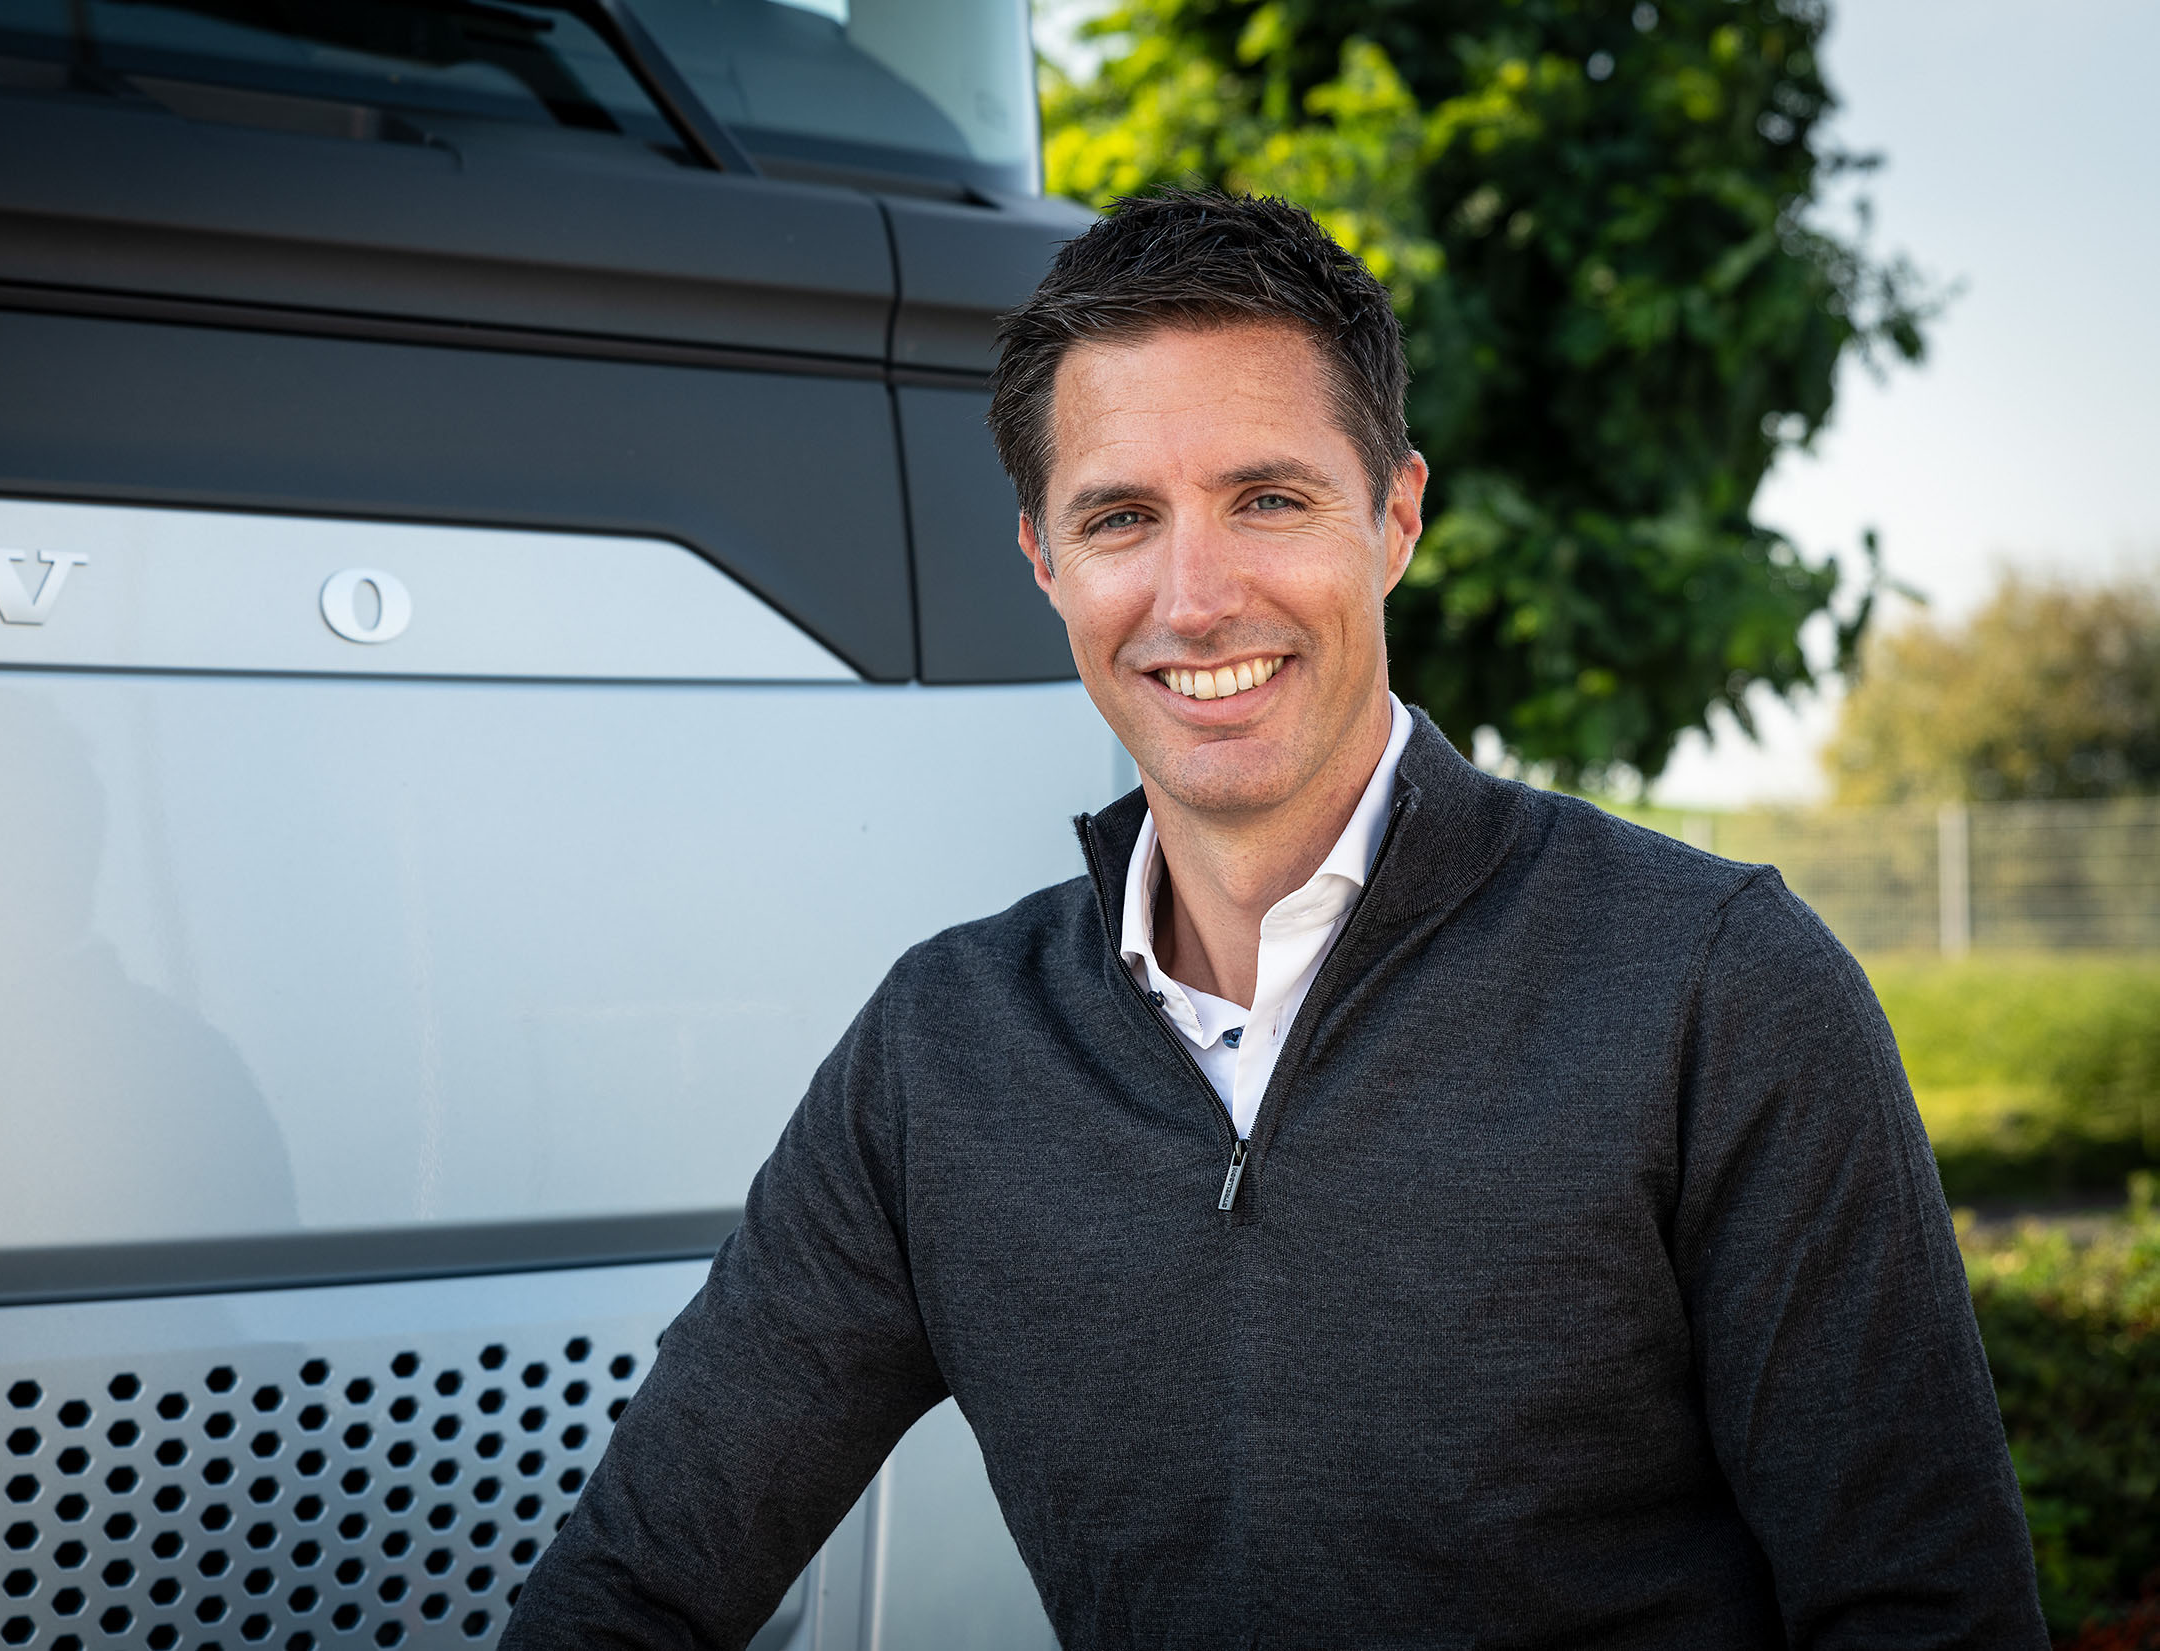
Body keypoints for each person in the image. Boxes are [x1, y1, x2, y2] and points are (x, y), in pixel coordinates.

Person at [499, 191, 2044, 1648]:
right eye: (1120, 518)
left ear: (1394, 518)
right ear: (1043, 561)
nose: (1194, 597)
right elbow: (639, 1574)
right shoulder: (941, 1053)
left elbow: (1923, 1613)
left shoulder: (1714, 990)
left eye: (1267, 499)